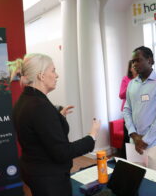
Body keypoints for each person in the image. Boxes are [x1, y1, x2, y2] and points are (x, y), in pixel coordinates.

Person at [10, 53, 100, 196]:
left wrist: (57, 118)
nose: (56, 75)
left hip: (33, 171)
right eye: (53, 70)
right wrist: (92, 136)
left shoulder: (24, 100)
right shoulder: (40, 106)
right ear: (41, 76)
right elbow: (62, 152)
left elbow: (38, 130)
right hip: (49, 179)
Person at [123, 46, 156, 173]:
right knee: (135, 180)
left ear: (150, 60)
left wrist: (145, 140)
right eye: (133, 61)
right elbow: (127, 110)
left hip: (155, 144)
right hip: (135, 142)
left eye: (138, 60)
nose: (134, 64)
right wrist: (134, 135)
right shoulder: (131, 84)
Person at [118, 60, 137, 158]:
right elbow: (121, 95)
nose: (135, 68)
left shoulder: (142, 80)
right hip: (128, 112)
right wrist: (131, 85)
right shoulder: (126, 79)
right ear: (130, 68)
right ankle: (125, 159)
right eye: (133, 66)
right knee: (127, 137)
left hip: (138, 112)